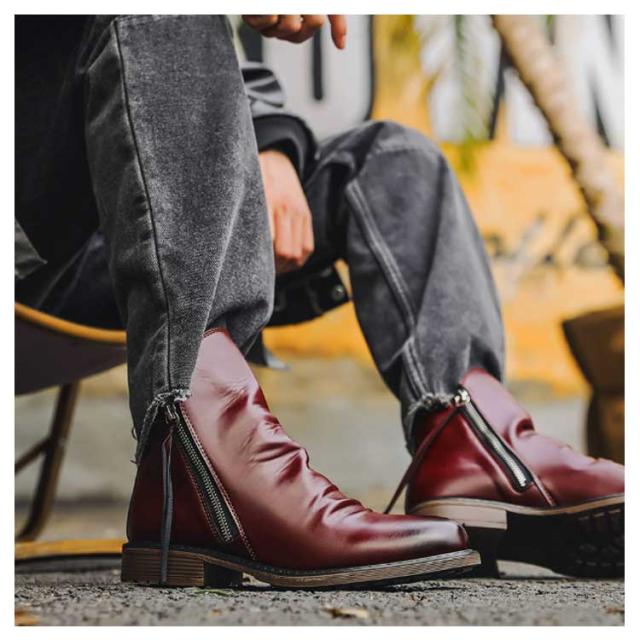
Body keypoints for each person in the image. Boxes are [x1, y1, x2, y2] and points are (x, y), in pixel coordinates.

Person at [15, 15, 622, 588]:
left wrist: (270, 143)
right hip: (31, 247)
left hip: (124, 224)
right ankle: (203, 447)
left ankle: (476, 448)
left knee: (395, 160)